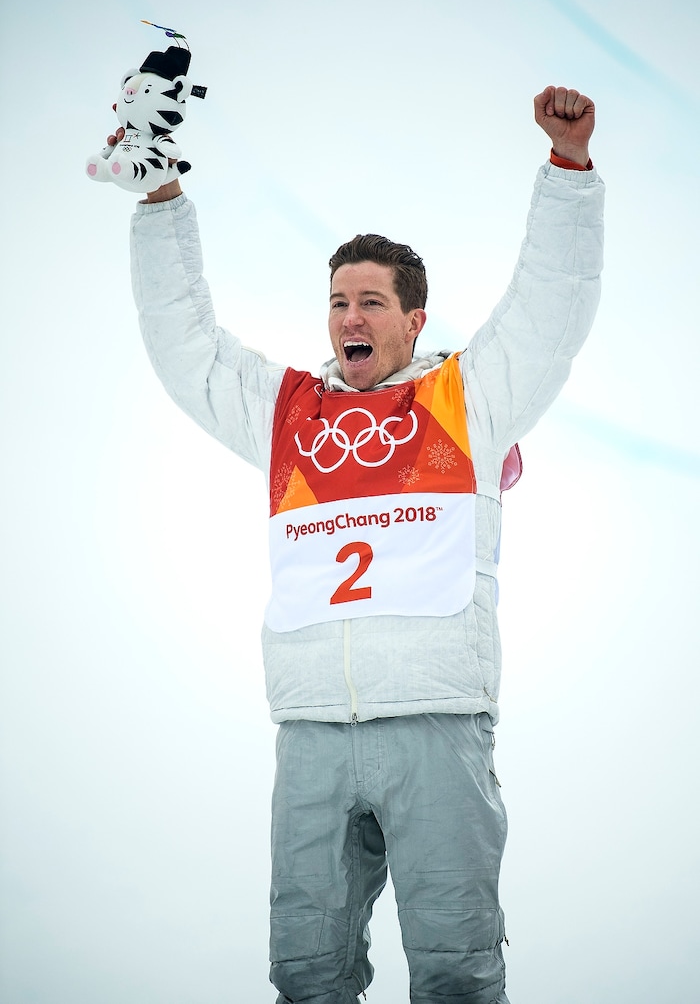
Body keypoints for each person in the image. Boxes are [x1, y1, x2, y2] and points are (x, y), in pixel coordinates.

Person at [126, 85, 604, 1003]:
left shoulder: (469, 400)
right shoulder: (286, 415)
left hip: (435, 722)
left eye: (373, 302)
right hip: (310, 735)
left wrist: (569, 172)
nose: (351, 317)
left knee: (458, 972)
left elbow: (549, 310)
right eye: (339, 301)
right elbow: (185, 346)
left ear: (413, 319)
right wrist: (159, 201)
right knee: (308, 976)